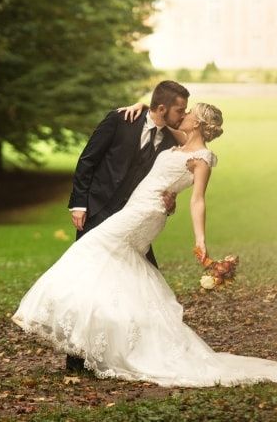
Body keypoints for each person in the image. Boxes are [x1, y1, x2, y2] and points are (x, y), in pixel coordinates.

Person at [11, 102, 277, 387]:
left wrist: (200, 241)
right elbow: (161, 115)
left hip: (146, 213)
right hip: (137, 208)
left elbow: (198, 199)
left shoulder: (202, 158)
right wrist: (142, 106)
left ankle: (90, 337)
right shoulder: (182, 140)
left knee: (90, 249)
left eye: (190, 113)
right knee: (118, 267)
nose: (186, 114)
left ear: (199, 124)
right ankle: (105, 341)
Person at [64, 80, 189, 371]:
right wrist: (79, 204)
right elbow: (87, 161)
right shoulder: (120, 120)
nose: (183, 116)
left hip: (134, 223)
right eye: (179, 110)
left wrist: (170, 203)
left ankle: (141, 355)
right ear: (162, 108)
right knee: (88, 285)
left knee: (147, 284)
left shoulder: (172, 142)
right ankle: (76, 359)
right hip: (96, 213)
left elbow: (165, 184)